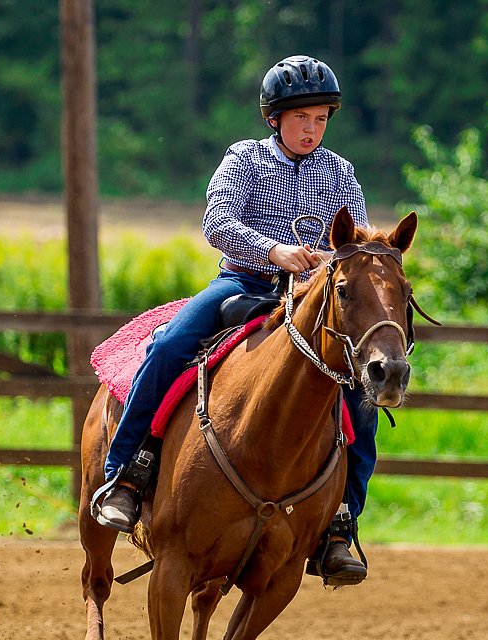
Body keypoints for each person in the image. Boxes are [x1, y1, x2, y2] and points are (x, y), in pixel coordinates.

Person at [92, 55, 378, 586]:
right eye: (301, 119)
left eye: (320, 119)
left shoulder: (341, 172)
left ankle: (340, 524)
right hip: (243, 285)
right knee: (170, 344)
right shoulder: (244, 159)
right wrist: (275, 251)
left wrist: (347, 257)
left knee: (360, 399)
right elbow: (218, 221)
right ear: (275, 118)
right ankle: (127, 475)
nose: (311, 129)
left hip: (314, 301)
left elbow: (357, 236)